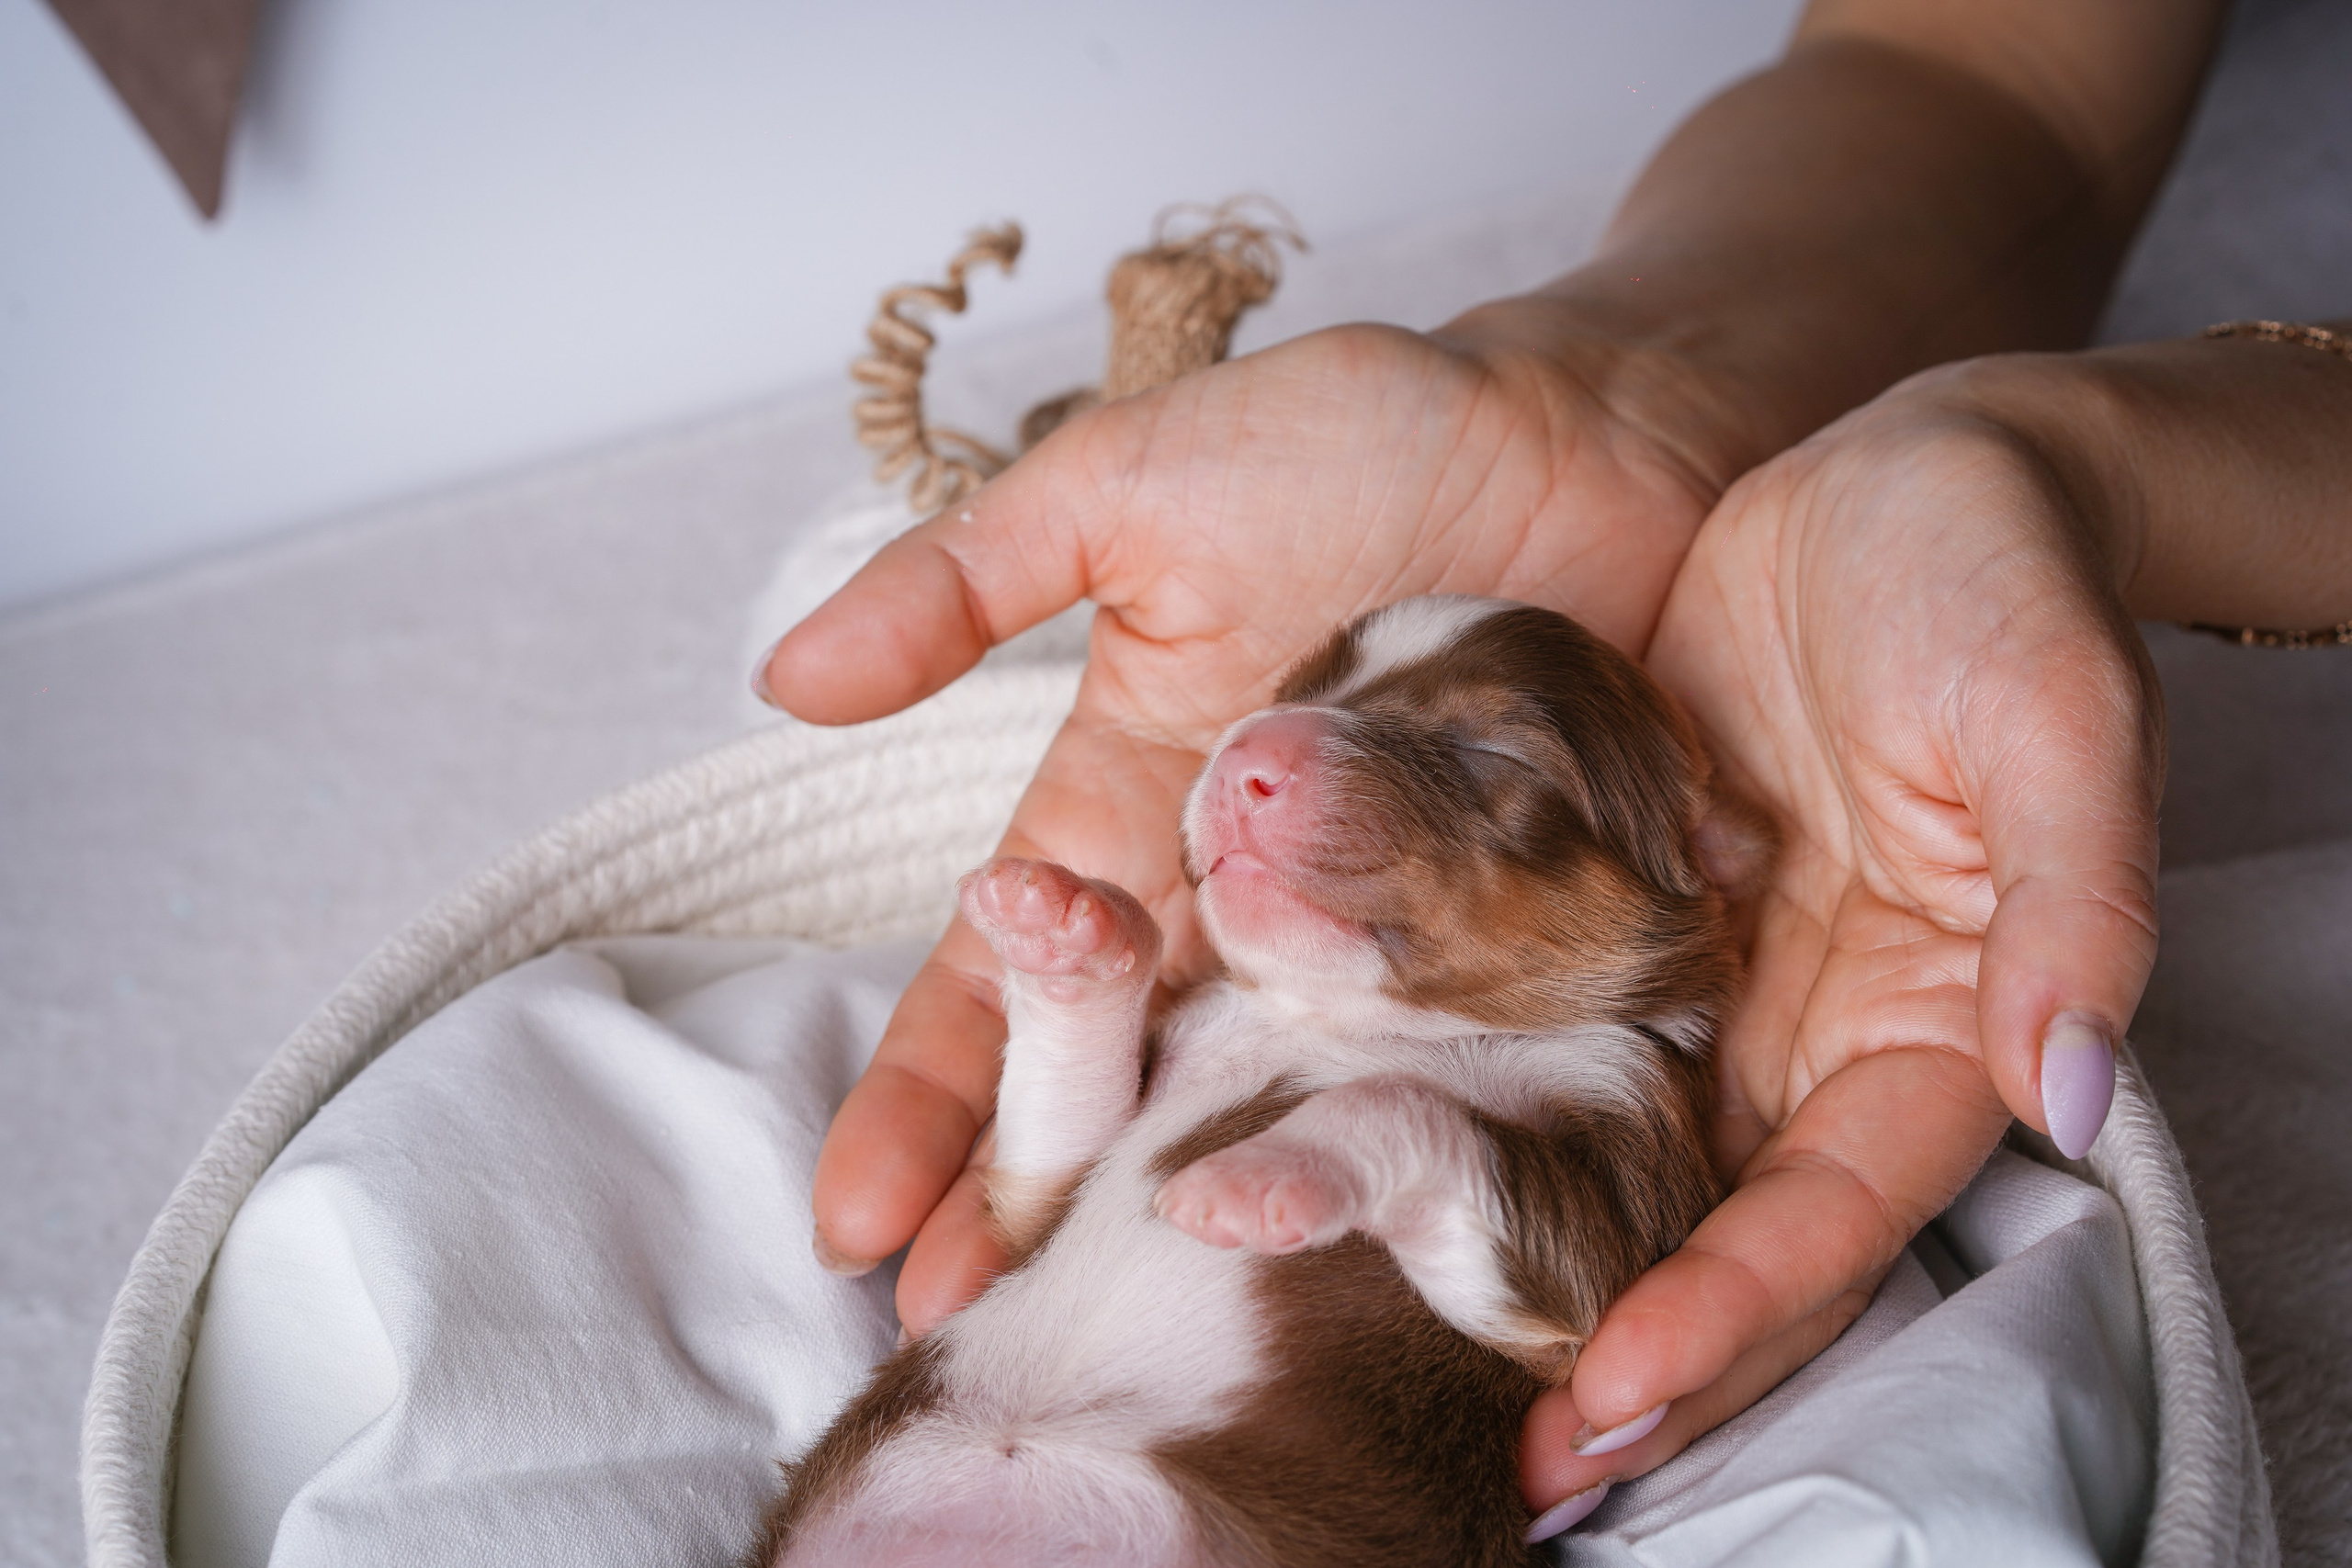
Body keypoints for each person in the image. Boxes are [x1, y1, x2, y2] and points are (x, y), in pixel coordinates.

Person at [753, 0, 2349, 1537]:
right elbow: (1033, 1204)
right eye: (1316, 702)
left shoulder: (1598, 1082)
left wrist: (2097, 466)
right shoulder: (1238, 1006)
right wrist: (1081, 1010)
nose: (1266, 753)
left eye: (1480, 749)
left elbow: (1559, 1288)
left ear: (1696, 865)